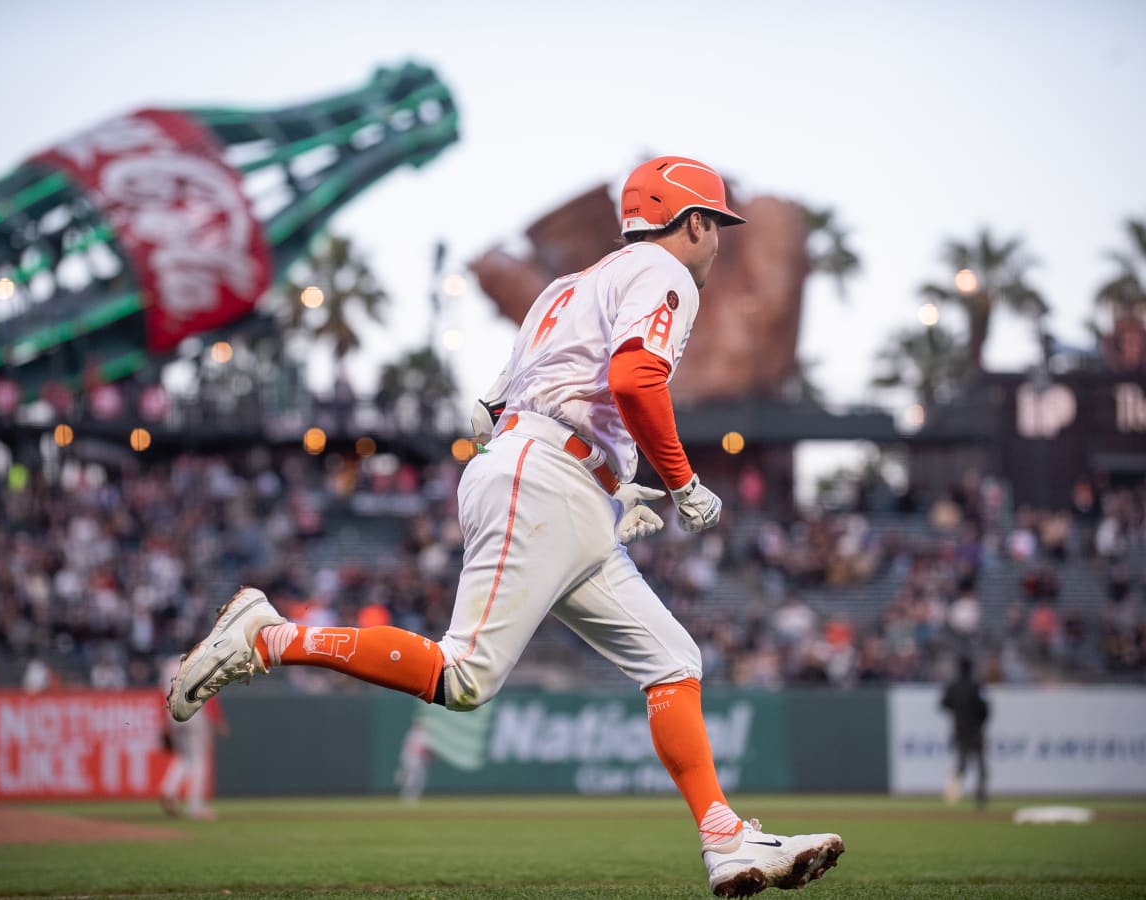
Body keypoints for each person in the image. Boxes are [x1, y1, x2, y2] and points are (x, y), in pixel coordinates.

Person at [167, 156, 844, 897]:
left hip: (549, 476)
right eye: (714, 224)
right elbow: (632, 379)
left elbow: (492, 410)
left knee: (673, 659)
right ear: (692, 222)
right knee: (463, 678)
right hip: (545, 478)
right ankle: (270, 636)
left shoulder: (567, 288)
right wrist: (680, 481)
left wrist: (613, 493)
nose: (717, 242)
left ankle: (725, 840)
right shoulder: (665, 273)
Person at [159, 654, 227, 820]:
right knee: (199, 761)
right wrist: (217, 720)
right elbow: (209, 691)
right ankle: (195, 807)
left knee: (185, 757)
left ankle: (169, 790)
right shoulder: (202, 660)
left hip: (174, 715)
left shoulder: (169, 664)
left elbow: (163, 694)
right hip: (194, 714)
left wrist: (166, 722)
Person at [940, 655, 989, 809]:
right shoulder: (976, 686)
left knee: (961, 765)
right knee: (980, 766)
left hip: (960, 730)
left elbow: (944, 703)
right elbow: (985, 708)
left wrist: (958, 711)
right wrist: (980, 721)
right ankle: (980, 795)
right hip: (975, 731)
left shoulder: (953, 686)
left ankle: (951, 793)